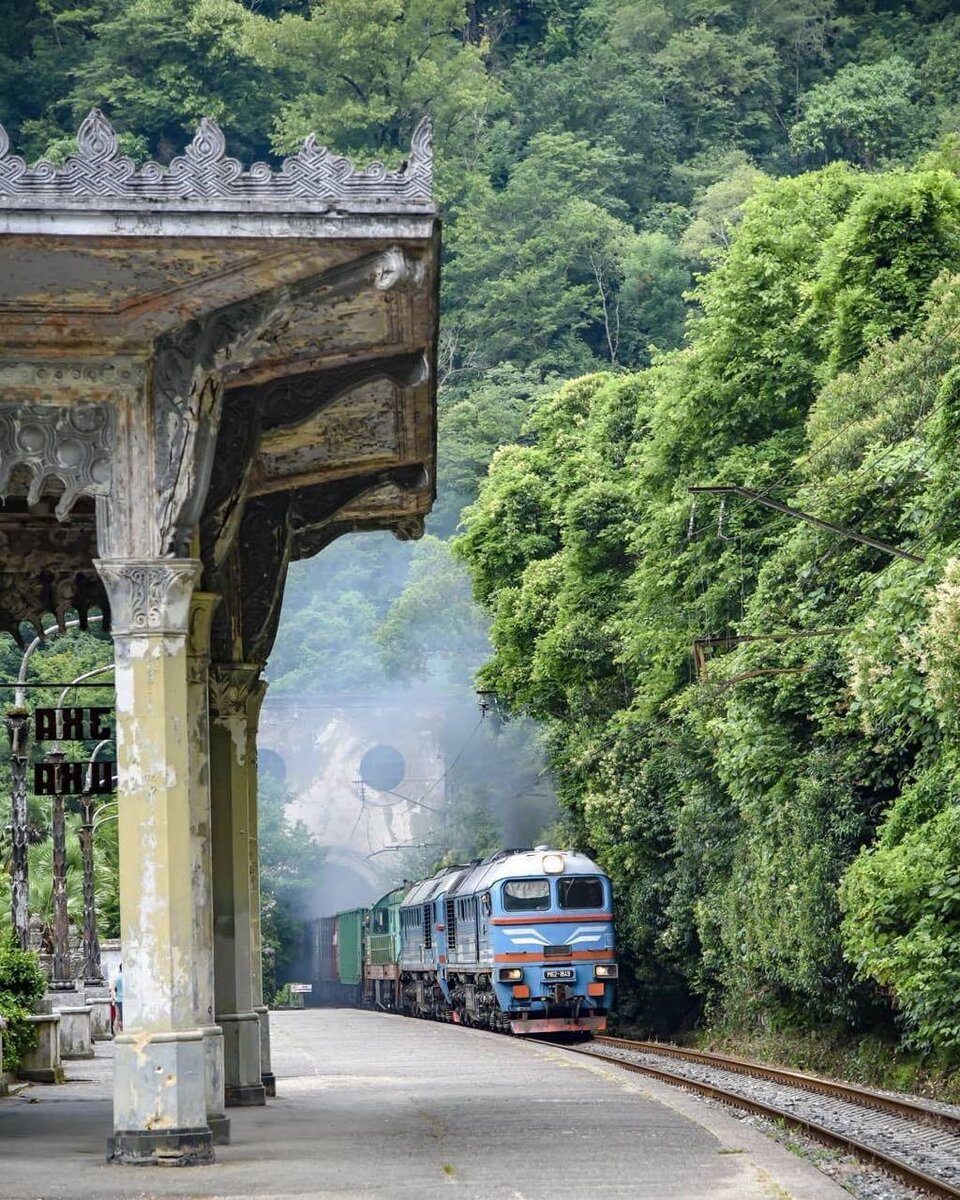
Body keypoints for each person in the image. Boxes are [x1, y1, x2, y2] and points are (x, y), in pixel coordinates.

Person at [111, 964, 123, 1033]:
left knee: (118, 1017)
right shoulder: (128, 977)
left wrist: (114, 998)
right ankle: (123, 1031)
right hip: (126, 1000)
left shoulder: (117, 977)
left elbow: (112, 989)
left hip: (118, 1000)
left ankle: (118, 1032)